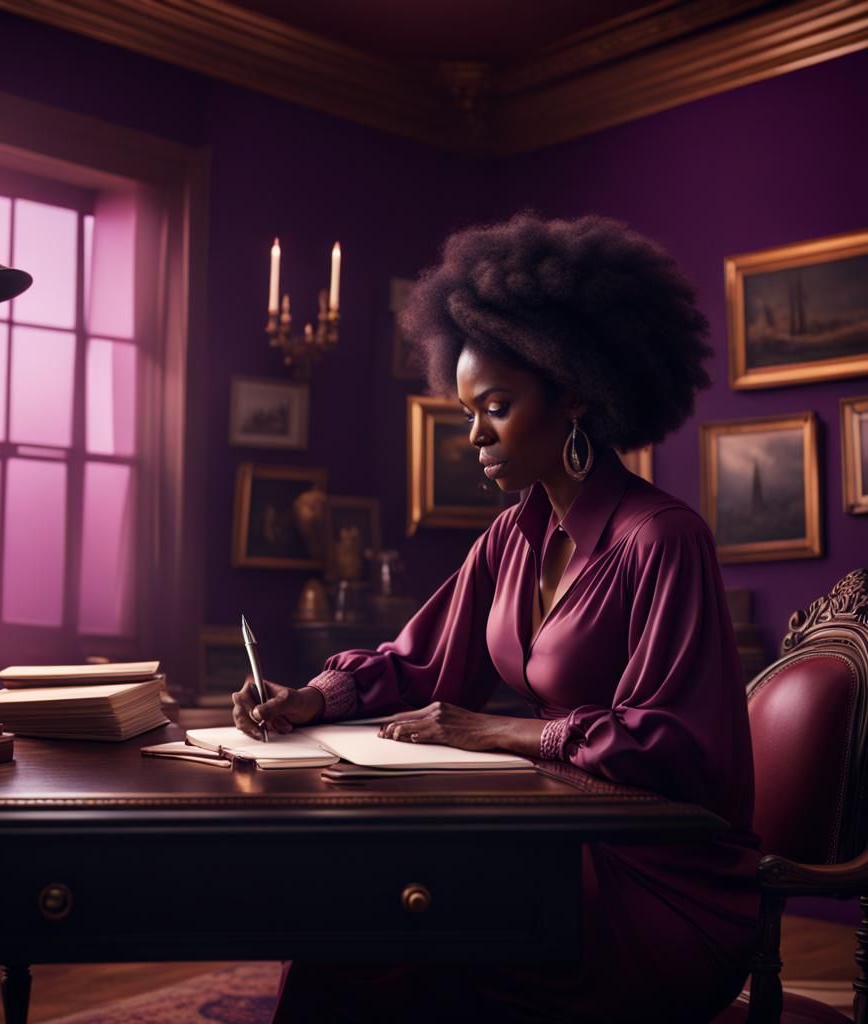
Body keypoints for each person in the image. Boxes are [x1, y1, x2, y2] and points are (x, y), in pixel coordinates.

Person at [230, 211, 760, 1023]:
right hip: (553, 831)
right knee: (349, 928)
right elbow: (421, 663)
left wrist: (506, 732)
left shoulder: (664, 539)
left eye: (497, 406)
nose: (472, 433)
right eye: (467, 407)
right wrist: (310, 699)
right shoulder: (514, 532)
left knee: (412, 939)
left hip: (658, 877)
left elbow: (682, 749)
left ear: (576, 391)